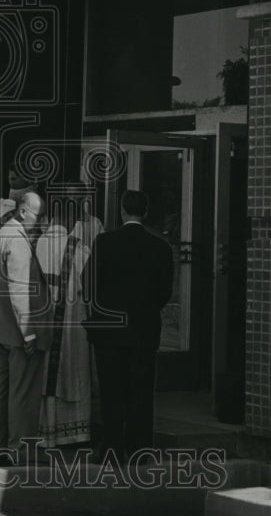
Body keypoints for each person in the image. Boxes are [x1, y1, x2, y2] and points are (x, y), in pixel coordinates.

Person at [82, 189, 173, 462]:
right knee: (141, 392)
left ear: (122, 210)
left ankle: (111, 448)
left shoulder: (104, 242)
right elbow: (164, 291)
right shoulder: (160, 247)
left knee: (112, 392)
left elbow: (88, 283)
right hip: (143, 329)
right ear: (145, 212)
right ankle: (139, 449)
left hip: (108, 329)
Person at [0, 191, 51, 461]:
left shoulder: (0, 236)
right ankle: (20, 450)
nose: (41, 220)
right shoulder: (18, 241)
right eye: (38, 214)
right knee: (22, 394)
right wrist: (29, 332)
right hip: (17, 330)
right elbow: (19, 292)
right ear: (23, 212)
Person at [37, 200, 93, 448]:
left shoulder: (34, 242)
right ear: (72, 219)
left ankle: (40, 430)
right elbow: (90, 292)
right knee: (71, 374)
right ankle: (71, 433)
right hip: (70, 325)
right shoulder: (80, 250)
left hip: (38, 322)